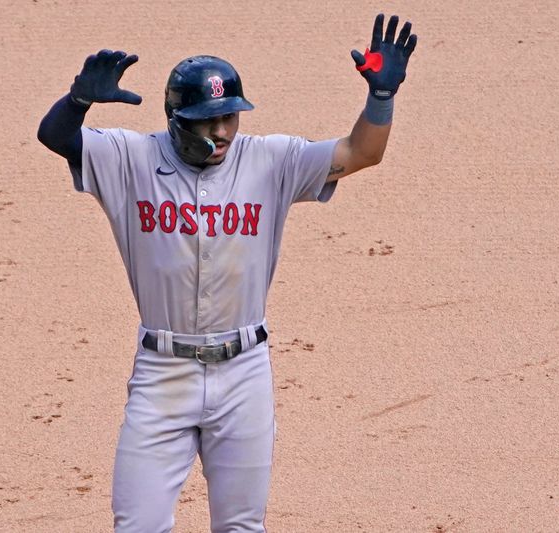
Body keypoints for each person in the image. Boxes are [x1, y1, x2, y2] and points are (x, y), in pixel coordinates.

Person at [37, 13, 416, 533]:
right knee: (137, 525)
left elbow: (362, 153)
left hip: (244, 374)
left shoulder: (271, 159)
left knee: (241, 526)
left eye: (229, 118)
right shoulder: (131, 158)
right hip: (162, 373)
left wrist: (381, 98)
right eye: (205, 120)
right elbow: (56, 137)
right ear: (175, 118)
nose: (220, 132)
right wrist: (77, 101)